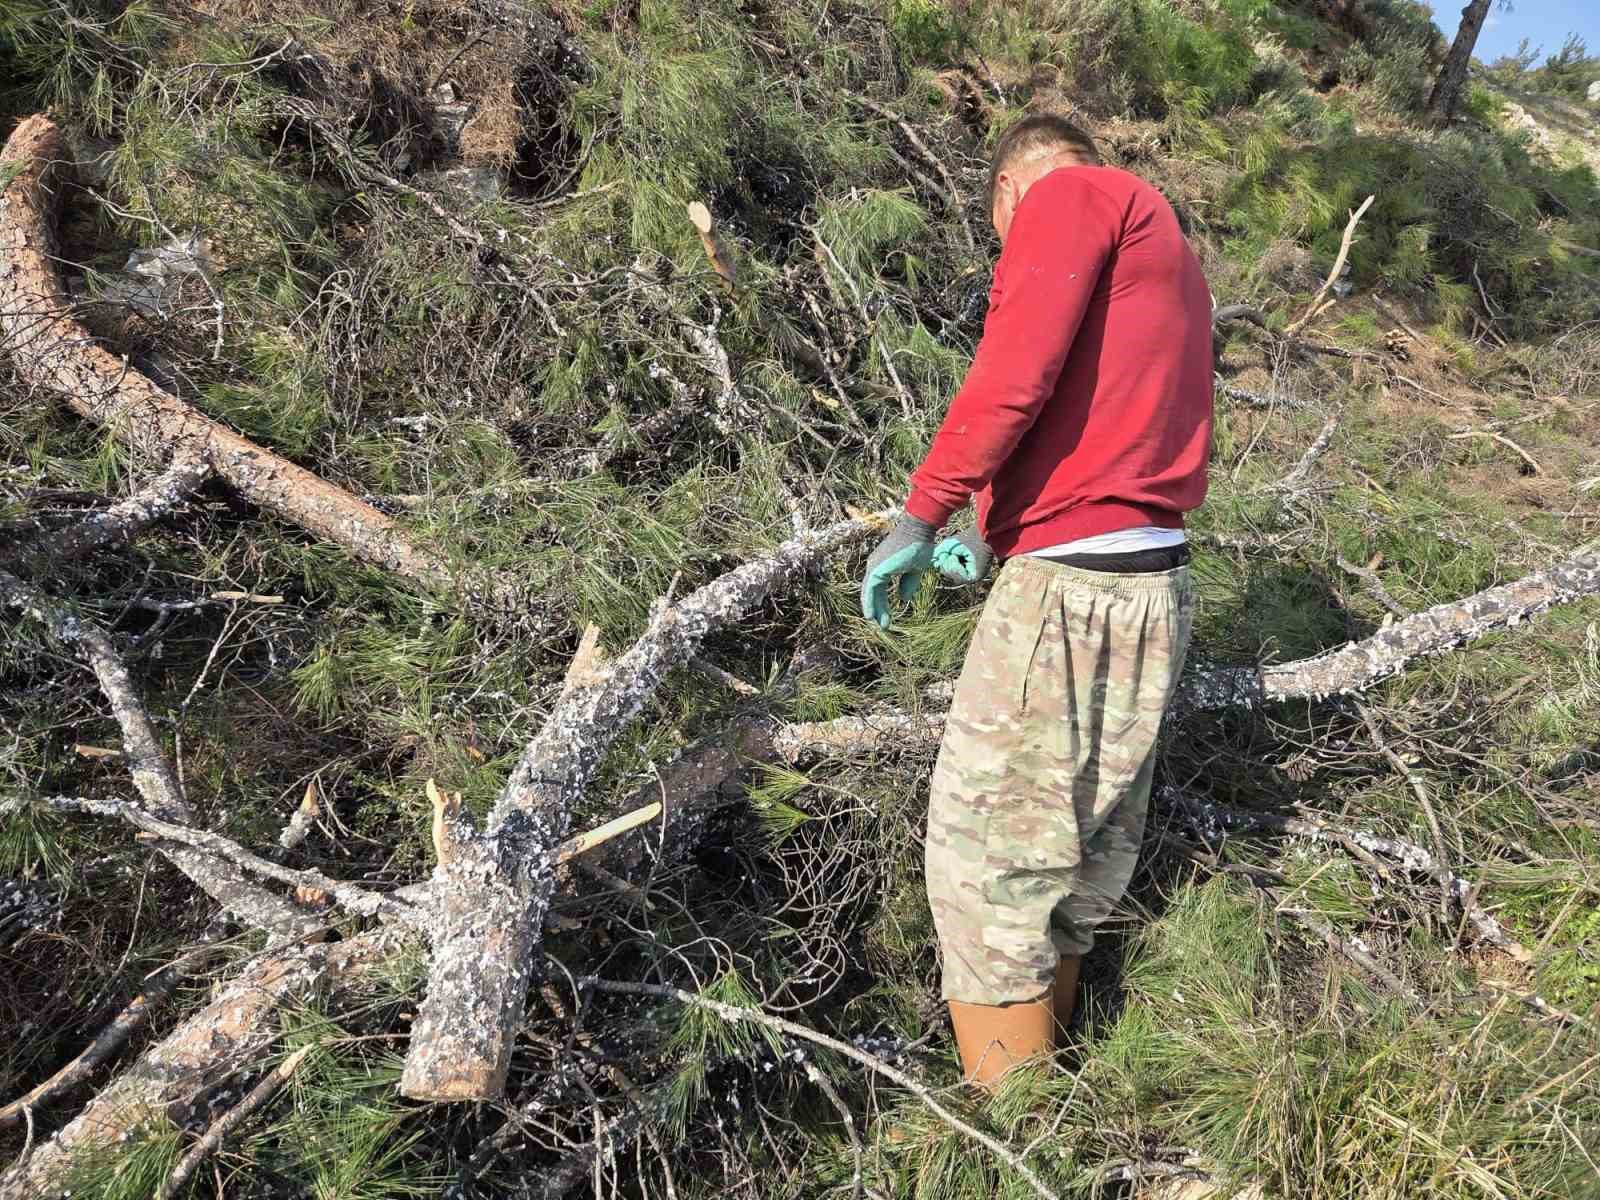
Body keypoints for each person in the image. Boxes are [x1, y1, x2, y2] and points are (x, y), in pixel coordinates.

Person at [858, 114, 1213, 1086]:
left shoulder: (1065, 196)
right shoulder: (1161, 240)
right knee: (1079, 854)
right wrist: (992, 523)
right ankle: (1060, 1092)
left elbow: (1016, 373)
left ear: (1007, 193)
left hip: (1069, 595)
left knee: (983, 874)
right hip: (1153, 585)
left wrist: (921, 514)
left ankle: (1012, 1140)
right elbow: (1101, 414)